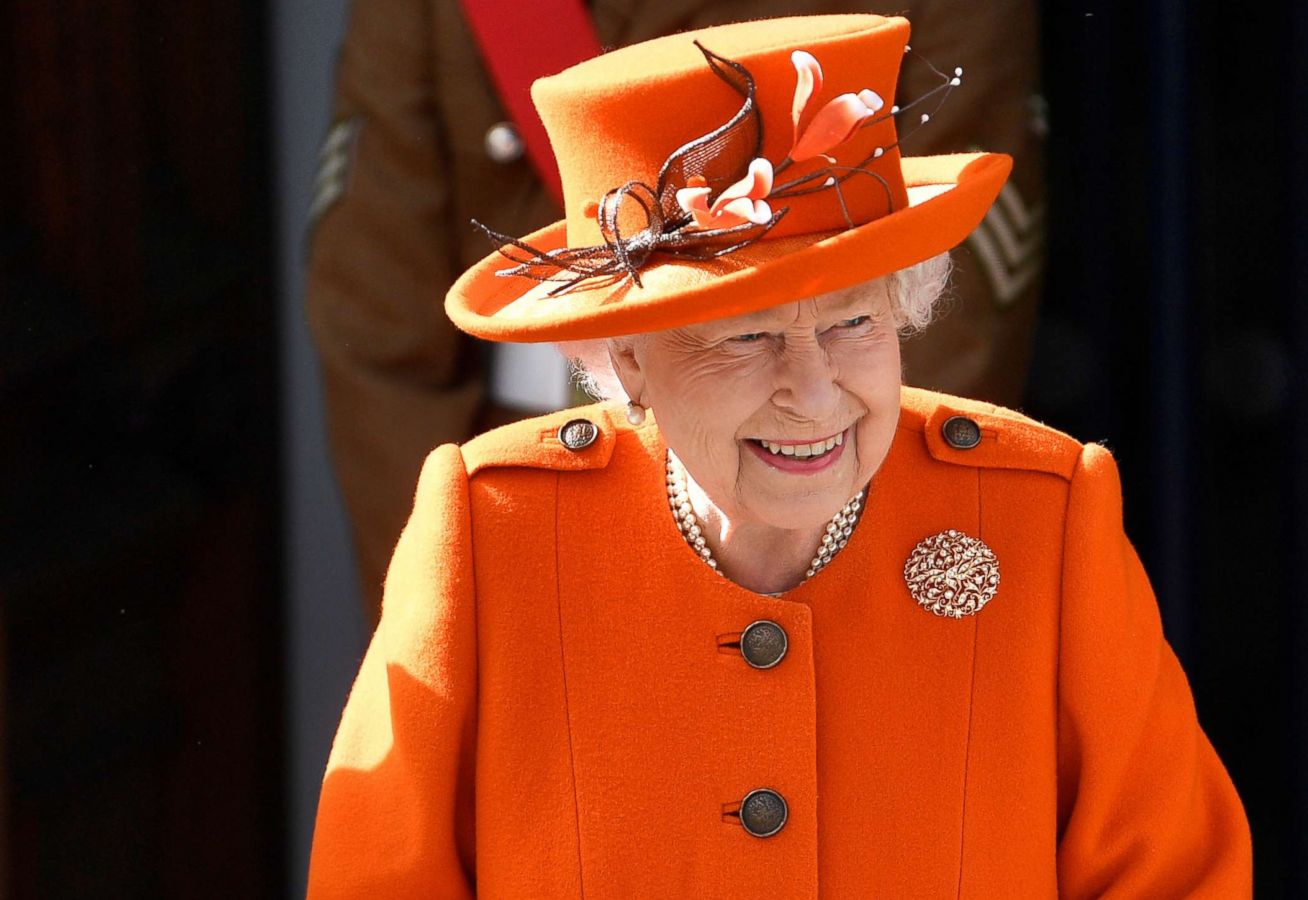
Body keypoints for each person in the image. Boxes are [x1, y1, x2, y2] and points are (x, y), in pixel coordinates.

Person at [307, 15, 1250, 897]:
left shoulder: (1041, 522)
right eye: (745, 338)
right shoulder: (489, 536)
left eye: (854, 321)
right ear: (626, 357)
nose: (813, 392)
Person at [306, 0, 1048, 618]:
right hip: (537, 489)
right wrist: (455, 600)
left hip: (844, 498)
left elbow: (944, 313)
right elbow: (378, 327)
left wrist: (890, 588)